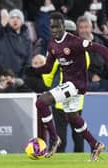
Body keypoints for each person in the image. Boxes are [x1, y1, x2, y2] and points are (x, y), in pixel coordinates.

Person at [32, 12, 108, 161]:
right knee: (72, 117)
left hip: (76, 84)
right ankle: (95, 144)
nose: (54, 30)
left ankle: (54, 138)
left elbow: (99, 48)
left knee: (41, 102)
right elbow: (48, 67)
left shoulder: (74, 42)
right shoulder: (52, 44)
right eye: (52, 27)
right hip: (68, 83)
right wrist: (34, 70)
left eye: (57, 26)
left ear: (63, 25)